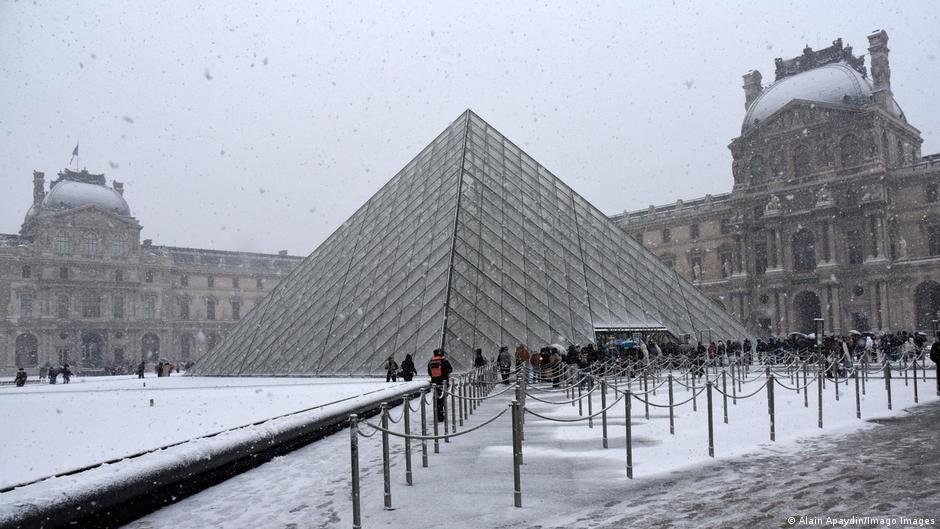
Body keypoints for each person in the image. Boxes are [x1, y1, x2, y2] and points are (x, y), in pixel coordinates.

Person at [427, 349, 452, 422]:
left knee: (437, 399)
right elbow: (450, 369)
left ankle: (438, 414)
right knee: (442, 399)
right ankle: (441, 415)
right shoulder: (444, 361)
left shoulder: (431, 362)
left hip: (435, 383)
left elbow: (429, 372)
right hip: (443, 382)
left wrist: (434, 377)